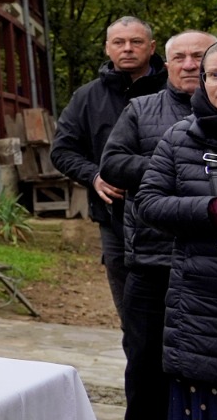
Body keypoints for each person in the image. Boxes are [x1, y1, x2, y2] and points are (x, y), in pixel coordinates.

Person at [100, 29, 217, 420]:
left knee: (211, 365)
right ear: (166, 64)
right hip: (154, 259)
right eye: (180, 57)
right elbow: (113, 163)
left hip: (211, 268)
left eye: (199, 58)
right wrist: (176, 167)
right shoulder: (142, 109)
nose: (189, 65)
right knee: (145, 362)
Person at [51, 16, 167, 330]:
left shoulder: (174, 90)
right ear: (107, 48)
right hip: (113, 218)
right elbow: (62, 151)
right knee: (132, 317)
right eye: (119, 42)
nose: (127, 48)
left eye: (136, 42)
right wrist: (94, 176)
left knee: (176, 313)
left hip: (169, 217)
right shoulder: (87, 97)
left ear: (151, 47)